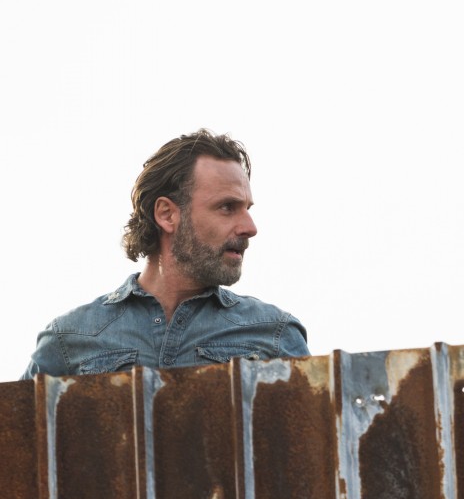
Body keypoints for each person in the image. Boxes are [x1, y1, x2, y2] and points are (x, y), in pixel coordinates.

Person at [23, 130, 308, 377]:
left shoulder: (275, 335)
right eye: (227, 207)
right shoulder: (68, 339)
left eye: (247, 209)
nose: (250, 228)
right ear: (167, 214)